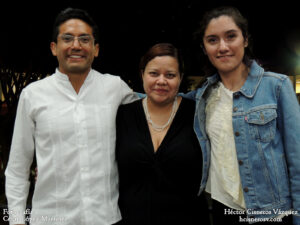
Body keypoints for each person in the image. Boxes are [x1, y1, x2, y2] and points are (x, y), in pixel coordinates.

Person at [5, 8, 138, 225]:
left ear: (96, 49)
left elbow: (151, 112)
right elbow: (18, 167)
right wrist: (17, 220)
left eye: (84, 39)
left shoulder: (116, 88)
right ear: (53, 48)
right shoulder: (33, 95)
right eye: (67, 38)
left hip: (105, 218)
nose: (76, 45)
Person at [185, 6, 300, 225]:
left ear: (245, 40)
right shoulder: (203, 97)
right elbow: (166, 95)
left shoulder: (277, 86)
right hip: (223, 209)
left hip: (272, 213)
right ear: (204, 48)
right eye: (212, 40)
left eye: (231, 36)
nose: (223, 47)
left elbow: (297, 160)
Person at [115, 43, 210, 225]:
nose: (161, 81)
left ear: (180, 78)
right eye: (154, 73)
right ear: (142, 74)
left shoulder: (199, 115)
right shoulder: (122, 115)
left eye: (170, 75)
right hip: (130, 218)